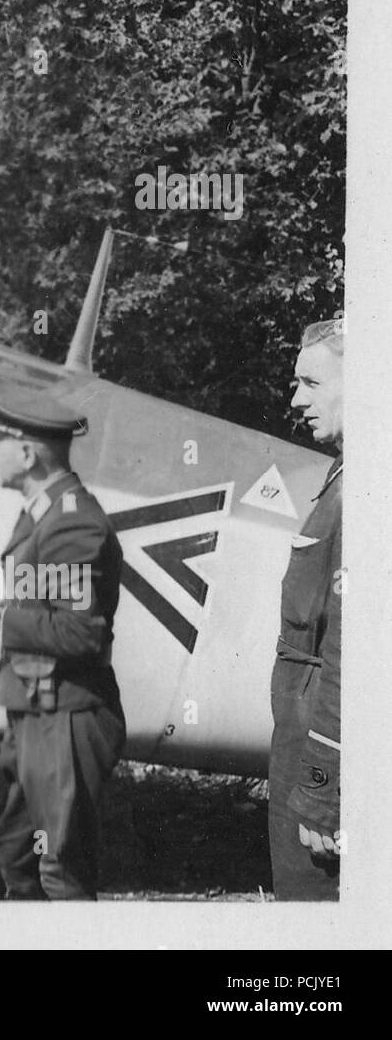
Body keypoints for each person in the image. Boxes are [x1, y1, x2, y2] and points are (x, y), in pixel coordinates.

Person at [0, 377, 125, 900]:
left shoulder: (71, 523)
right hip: (39, 711)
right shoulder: (45, 511)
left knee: (60, 868)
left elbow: (79, 633)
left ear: (26, 452)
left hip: (65, 718)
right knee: (16, 851)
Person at [269, 317, 343, 901]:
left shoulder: (361, 491)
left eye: (311, 383)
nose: (296, 400)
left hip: (316, 739)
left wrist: (320, 787)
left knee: (308, 905)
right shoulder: (342, 475)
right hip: (302, 726)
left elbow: (348, 656)